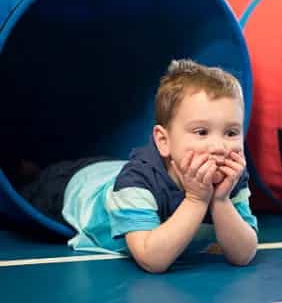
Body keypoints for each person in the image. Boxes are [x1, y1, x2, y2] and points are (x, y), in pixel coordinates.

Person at [4, 59, 258, 273]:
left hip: (112, 168)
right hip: (75, 187)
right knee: (28, 186)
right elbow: (152, 258)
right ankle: (27, 169)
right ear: (163, 141)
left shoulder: (231, 176)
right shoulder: (138, 182)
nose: (219, 146)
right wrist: (196, 199)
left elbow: (243, 254)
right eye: (201, 132)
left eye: (231, 132)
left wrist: (221, 201)